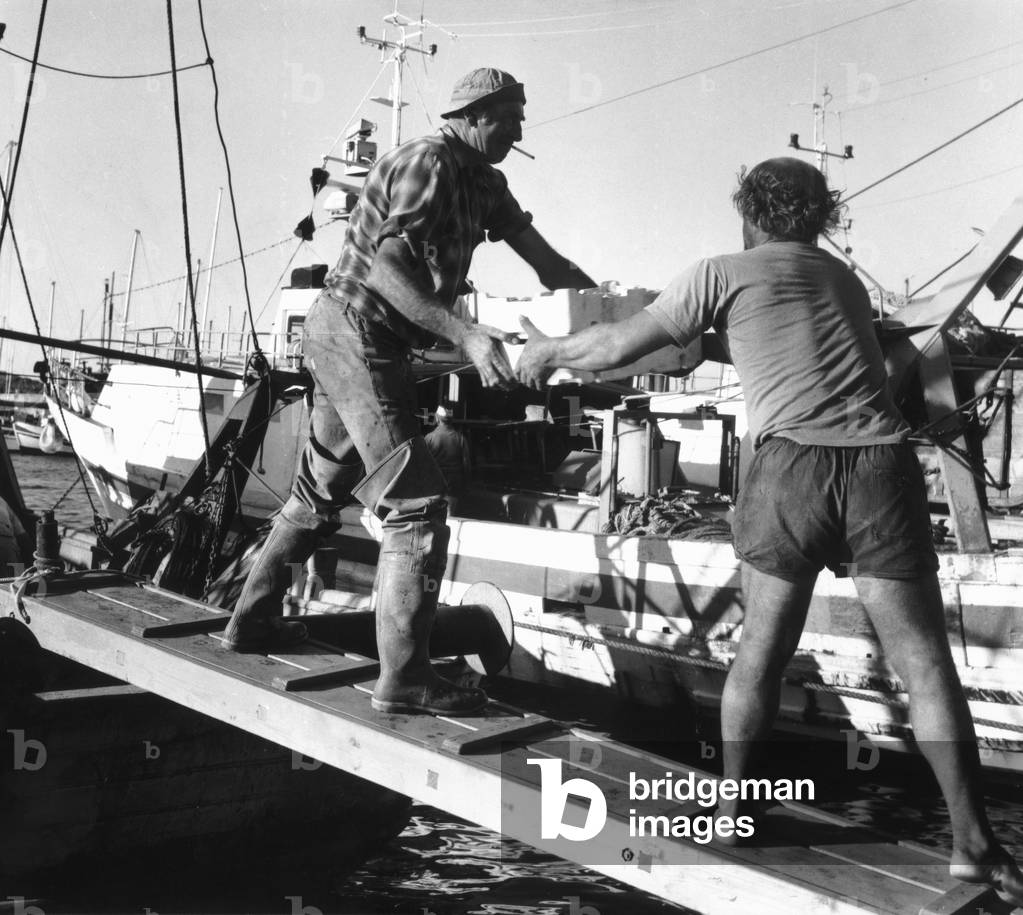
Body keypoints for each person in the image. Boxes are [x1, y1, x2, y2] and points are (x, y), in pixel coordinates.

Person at [515, 157, 1023, 904]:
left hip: (790, 469)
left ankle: (733, 807)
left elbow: (618, 347)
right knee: (922, 662)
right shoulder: (841, 282)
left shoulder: (719, 270)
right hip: (880, 465)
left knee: (760, 649)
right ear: (820, 218)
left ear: (747, 214)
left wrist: (547, 352)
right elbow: (799, 343)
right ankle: (973, 843)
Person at [222, 68, 596, 717]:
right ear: (476, 113)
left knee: (317, 497)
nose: (519, 129)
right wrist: (469, 335)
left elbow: (549, 264)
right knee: (417, 507)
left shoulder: (485, 183)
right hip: (356, 331)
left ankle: (250, 620)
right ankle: (406, 678)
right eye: (512, 116)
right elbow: (385, 268)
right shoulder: (431, 163)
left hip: (366, 342)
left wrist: (616, 320)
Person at [424, 403, 472, 510]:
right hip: (453, 488)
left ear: (437, 418)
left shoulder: (429, 438)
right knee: (450, 518)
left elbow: (423, 465)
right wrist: (467, 485)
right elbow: (467, 465)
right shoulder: (460, 438)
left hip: (434, 488)